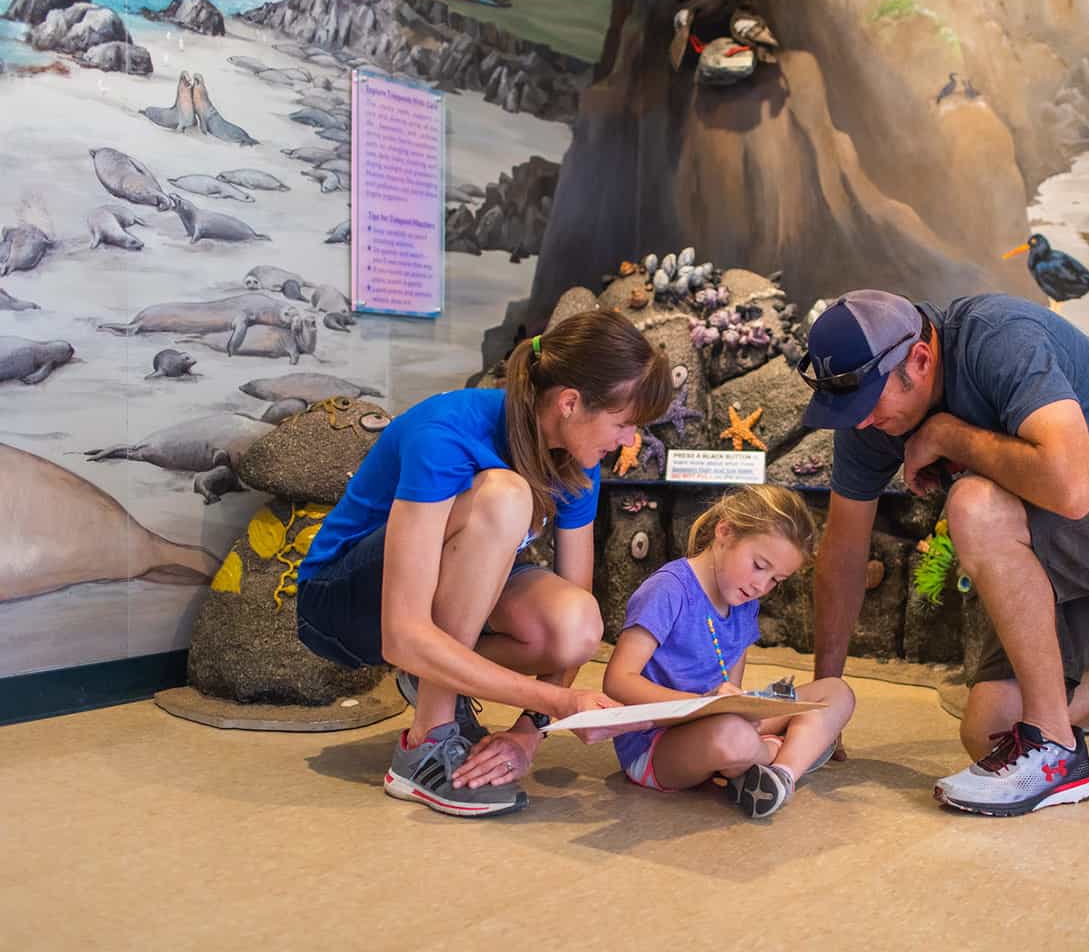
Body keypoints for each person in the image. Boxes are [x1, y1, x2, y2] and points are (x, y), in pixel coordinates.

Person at [798, 289, 1089, 817]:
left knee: (975, 505)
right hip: (1062, 538)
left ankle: (1053, 750)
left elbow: (1071, 489)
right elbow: (843, 549)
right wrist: (826, 699)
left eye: (866, 405)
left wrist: (949, 434)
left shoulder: (998, 336)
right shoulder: (874, 410)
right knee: (989, 731)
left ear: (921, 360)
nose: (860, 422)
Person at [295, 309, 672, 818]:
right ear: (569, 403)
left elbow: (576, 606)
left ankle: (437, 675)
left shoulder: (578, 461)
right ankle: (424, 742)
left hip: (445, 594)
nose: (630, 441)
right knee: (505, 494)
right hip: (342, 603)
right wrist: (563, 705)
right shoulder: (447, 431)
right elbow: (401, 634)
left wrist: (528, 732)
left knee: (577, 623)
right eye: (625, 423)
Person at [603, 484, 855, 818]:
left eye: (776, 580)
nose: (761, 587)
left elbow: (731, 688)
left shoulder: (744, 603)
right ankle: (777, 752)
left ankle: (780, 776)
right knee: (731, 736)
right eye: (759, 565)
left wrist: (741, 709)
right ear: (725, 532)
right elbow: (618, 681)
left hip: (718, 722)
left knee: (835, 692)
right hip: (656, 744)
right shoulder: (668, 590)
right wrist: (707, 707)